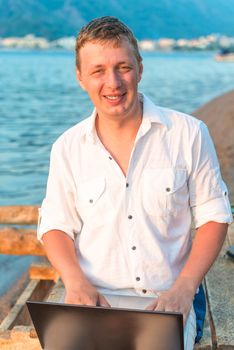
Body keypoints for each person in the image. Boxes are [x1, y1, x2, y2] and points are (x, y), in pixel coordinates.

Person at [37, 16, 233, 349]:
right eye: (98, 70)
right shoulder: (67, 147)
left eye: (123, 67)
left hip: (166, 302)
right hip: (94, 302)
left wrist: (185, 289)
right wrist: (74, 281)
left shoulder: (188, 133)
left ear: (140, 69)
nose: (112, 83)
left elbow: (215, 216)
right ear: (80, 77)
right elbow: (55, 225)